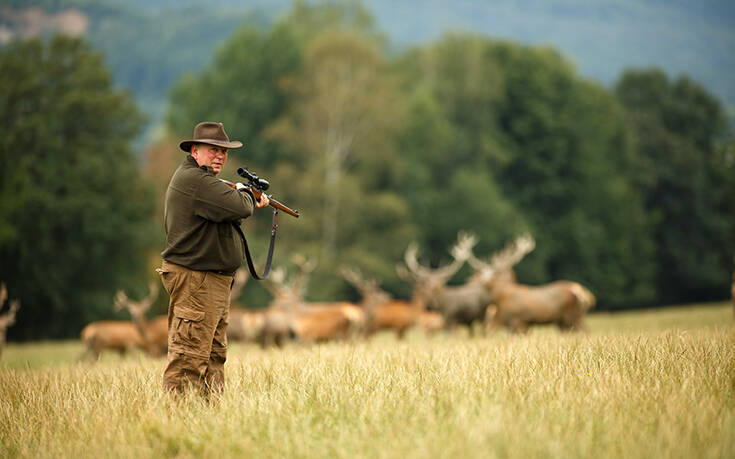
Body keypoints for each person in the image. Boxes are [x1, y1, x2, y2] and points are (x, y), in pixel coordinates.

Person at [157, 121, 269, 397]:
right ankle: (177, 423)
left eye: (224, 151)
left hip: (210, 282)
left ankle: (208, 419)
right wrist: (247, 194)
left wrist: (241, 193)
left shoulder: (203, 180)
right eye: (213, 149)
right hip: (197, 280)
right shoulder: (196, 181)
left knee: (213, 356)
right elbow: (239, 206)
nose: (220, 155)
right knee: (188, 357)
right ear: (195, 150)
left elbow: (227, 208)